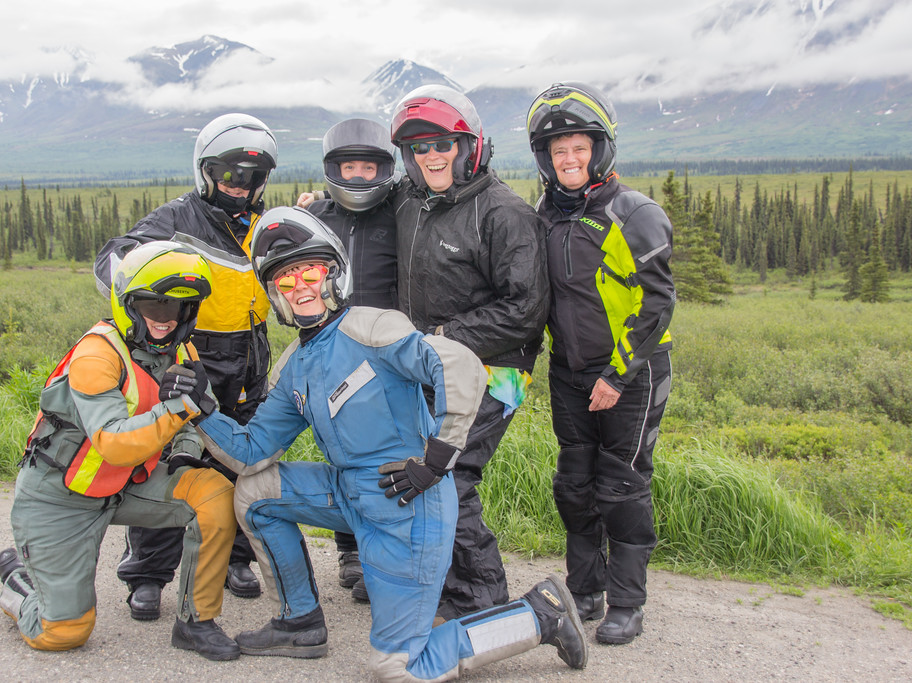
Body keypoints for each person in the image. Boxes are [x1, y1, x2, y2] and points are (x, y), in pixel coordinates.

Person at [186, 206, 586, 680]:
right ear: (276, 296)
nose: (301, 289)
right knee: (255, 495)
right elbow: (251, 453)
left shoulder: (372, 327)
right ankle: (298, 622)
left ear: (333, 276)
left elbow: (456, 364)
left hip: (408, 502)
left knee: (399, 666)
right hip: (350, 493)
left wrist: (436, 460)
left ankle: (539, 614)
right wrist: (202, 407)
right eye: (286, 282)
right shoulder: (294, 363)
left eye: (309, 273)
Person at [0, 241, 239, 661]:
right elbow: (114, 443)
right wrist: (181, 408)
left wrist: (182, 452)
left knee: (215, 493)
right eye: (154, 306)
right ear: (127, 302)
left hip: (125, 486)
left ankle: (195, 622)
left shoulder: (182, 350)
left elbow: (192, 424)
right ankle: (19, 580)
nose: (166, 319)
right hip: (60, 496)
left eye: (179, 309)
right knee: (64, 633)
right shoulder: (97, 354)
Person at [93, 113, 277, 616]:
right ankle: (147, 573)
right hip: (191, 353)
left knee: (243, 460)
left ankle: (235, 558)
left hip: (250, 358)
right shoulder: (177, 217)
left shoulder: (264, 224)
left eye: (253, 176)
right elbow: (117, 257)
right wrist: (140, 310)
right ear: (205, 171)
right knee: (172, 460)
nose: (240, 185)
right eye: (229, 173)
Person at [389, 85, 550, 622]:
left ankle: (482, 600)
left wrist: (441, 334)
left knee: (450, 475)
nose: (431, 156)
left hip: (496, 370)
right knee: (422, 471)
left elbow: (525, 309)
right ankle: (444, 587)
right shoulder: (413, 202)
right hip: (434, 365)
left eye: (442, 144)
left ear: (469, 146)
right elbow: (359, 197)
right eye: (418, 148)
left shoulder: (505, 213)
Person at [526, 82, 675, 645]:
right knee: (575, 484)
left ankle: (627, 603)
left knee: (623, 485)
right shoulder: (544, 215)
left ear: (599, 149)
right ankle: (583, 590)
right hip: (569, 371)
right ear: (546, 158)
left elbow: (656, 305)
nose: (569, 159)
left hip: (632, 373)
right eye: (559, 150)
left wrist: (618, 375)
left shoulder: (634, 213)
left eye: (579, 148)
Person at [302, 117, 401, 601]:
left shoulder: (403, 209)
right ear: (332, 169)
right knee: (340, 451)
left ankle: (387, 551)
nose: (359, 175)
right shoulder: (318, 216)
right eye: (349, 166)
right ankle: (351, 552)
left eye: (368, 166)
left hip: (389, 353)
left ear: (384, 168)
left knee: (388, 456)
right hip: (335, 349)